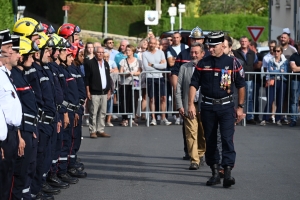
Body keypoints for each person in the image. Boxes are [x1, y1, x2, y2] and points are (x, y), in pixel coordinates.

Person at [188, 31, 245, 188]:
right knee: (211, 139)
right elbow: (194, 84)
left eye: (213, 46)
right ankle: (214, 172)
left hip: (226, 106)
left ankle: (227, 172)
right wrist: (191, 104)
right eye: (209, 46)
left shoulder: (233, 63)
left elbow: (241, 85)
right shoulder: (203, 63)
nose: (210, 49)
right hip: (207, 106)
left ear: (222, 45)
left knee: (227, 139)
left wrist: (240, 107)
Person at [10, 36, 41, 200]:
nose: (32, 58)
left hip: (30, 129)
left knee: (29, 167)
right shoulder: (14, 76)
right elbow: (16, 110)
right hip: (22, 131)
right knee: (20, 172)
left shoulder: (22, 75)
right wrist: (22, 134)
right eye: (28, 55)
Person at [171, 27, 207, 160]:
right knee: (189, 130)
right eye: (194, 38)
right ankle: (191, 154)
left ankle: (201, 152)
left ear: (203, 40)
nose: (196, 40)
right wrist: (179, 96)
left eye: (198, 39)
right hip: (188, 99)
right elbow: (175, 75)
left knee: (203, 130)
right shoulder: (183, 55)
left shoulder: (208, 56)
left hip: (203, 101)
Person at [176, 42, 206, 170]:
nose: (193, 55)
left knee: (203, 133)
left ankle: (200, 153)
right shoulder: (184, 67)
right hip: (189, 104)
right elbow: (178, 88)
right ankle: (194, 160)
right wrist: (180, 105)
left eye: (196, 53)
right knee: (191, 132)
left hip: (204, 105)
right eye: (192, 52)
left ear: (202, 54)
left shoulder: (207, 67)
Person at [0, 29, 22, 200]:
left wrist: (18, 135)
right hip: (3, 137)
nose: (11, 50)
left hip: (11, 133)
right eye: (7, 46)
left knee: (8, 178)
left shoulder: (5, 74)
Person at [142, 38, 172, 126]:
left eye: (154, 43)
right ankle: (153, 118)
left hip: (160, 77)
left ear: (156, 44)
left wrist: (153, 64)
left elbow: (164, 66)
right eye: (151, 43)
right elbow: (146, 67)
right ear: (148, 44)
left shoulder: (161, 52)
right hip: (150, 77)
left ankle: (163, 118)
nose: (152, 45)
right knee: (152, 99)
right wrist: (159, 65)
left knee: (163, 98)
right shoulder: (145, 54)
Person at [85, 46, 111, 138]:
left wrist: (109, 90)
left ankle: (100, 130)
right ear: (95, 53)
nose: (101, 54)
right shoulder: (89, 63)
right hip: (94, 92)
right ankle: (93, 131)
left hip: (104, 92)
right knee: (93, 112)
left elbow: (108, 78)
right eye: (99, 52)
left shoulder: (106, 64)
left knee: (103, 112)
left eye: (102, 52)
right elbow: (87, 79)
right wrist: (88, 91)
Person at [260, 45, 288, 126]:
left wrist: (275, 71)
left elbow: (285, 72)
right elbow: (270, 72)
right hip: (272, 81)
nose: (276, 52)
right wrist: (279, 71)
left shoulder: (285, 61)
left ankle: (278, 119)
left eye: (278, 51)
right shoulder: (270, 61)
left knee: (280, 101)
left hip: (282, 81)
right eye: (275, 51)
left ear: (281, 52)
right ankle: (265, 118)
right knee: (270, 100)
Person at [233, 36, 257, 125]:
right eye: (242, 41)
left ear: (248, 43)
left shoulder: (252, 53)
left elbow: (255, 63)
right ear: (240, 42)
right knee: (240, 98)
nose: (243, 43)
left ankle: (249, 117)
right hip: (240, 78)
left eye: (245, 41)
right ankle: (239, 116)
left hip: (249, 78)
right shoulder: (236, 52)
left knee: (250, 98)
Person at [167, 32, 189, 125]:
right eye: (174, 38)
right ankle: (177, 115)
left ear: (180, 38)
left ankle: (186, 113)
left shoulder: (186, 47)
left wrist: (174, 58)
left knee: (187, 93)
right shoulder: (169, 49)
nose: (175, 39)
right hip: (175, 72)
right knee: (176, 93)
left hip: (185, 72)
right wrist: (175, 60)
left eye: (177, 37)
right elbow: (171, 63)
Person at [119, 45, 141, 126]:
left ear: (133, 51)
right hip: (125, 82)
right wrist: (126, 74)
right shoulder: (123, 61)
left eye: (129, 50)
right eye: (127, 50)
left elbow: (139, 71)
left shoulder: (138, 61)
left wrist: (134, 73)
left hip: (135, 82)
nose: (127, 51)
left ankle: (132, 117)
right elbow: (120, 72)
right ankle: (124, 118)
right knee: (125, 100)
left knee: (134, 100)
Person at [249, 41, 263, 122]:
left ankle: (256, 116)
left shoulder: (259, 55)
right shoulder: (248, 55)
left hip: (256, 80)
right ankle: (249, 115)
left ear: (252, 46)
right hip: (249, 78)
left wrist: (250, 67)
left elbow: (258, 65)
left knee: (255, 98)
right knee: (249, 98)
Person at [104, 51, 118, 126]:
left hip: (110, 84)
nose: (106, 58)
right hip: (102, 86)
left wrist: (112, 70)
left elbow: (117, 70)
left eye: (107, 57)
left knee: (110, 103)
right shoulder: (100, 63)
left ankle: (109, 120)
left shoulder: (112, 62)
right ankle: (102, 120)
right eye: (104, 56)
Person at [289, 41, 300, 127]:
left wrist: (297, 67)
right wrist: (296, 68)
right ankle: (293, 119)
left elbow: (297, 68)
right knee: (294, 100)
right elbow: (294, 68)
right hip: (296, 81)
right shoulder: (294, 56)